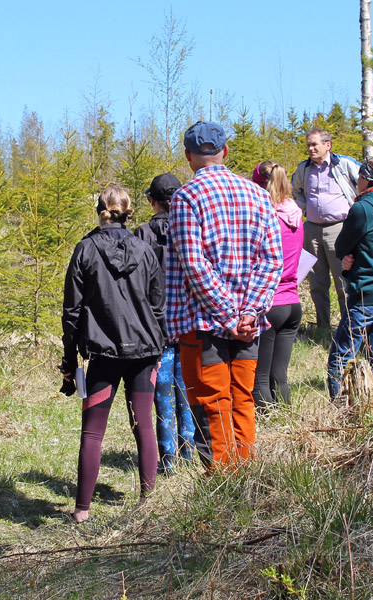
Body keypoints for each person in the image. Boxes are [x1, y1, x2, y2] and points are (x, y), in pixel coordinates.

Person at [166, 121, 282, 468]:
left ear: (188, 156)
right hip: (249, 324)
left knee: (211, 402)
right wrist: (248, 312)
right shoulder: (259, 195)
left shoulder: (187, 196)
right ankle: (244, 478)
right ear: (225, 152)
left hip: (203, 324)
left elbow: (194, 265)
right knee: (243, 399)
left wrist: (229, 316)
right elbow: (271, 260)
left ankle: (222, 487)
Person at [61, 185, 164, 523]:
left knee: (92, 431)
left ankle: (82, 511)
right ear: (129, 211)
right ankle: (148, 504)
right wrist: (158, 345)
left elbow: (71, 311)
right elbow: (158, 304)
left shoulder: (85, 249)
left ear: (99, 210)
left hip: (103, 354)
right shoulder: (145, 249)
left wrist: (69, 357)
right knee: (144, 425)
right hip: (144, 350)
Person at [326, 157, 373, 399]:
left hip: (366, 294)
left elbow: (341, 246)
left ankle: (337, 412)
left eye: (359, 176)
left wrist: (350, 258)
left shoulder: (362, 208)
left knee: (339, 360)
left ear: (365, 179)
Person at [135, 173, 195, 473]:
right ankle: (190, 450)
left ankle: (168, 458)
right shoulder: (189, 228)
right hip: (187, 322)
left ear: (151, 201)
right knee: (188, 388)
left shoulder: (142, 234)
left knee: (162, 393)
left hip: (155, 326)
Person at [290, 128, 361, 329]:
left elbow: (364, 185)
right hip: (312, 230)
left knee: (343, 280)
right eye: (308, 145)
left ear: (327, 145)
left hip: (340, 229)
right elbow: (295, 190)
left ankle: (349, 326)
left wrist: (358, 212)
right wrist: (304, 209)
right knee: (317, 282)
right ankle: (323, 326)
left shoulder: (344, 164)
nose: (311, 149)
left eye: (315, 144)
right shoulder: (304, 168)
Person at [251, 161, 303, 410]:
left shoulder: (267, 218)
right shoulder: (295, 214)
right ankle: (288, 422)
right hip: (293, 302)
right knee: (279, 376)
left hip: (271, 303)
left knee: (259, 379)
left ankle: (269, 424)